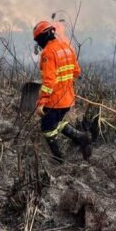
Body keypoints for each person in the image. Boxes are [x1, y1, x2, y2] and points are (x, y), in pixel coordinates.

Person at [33, 21, 92, 162]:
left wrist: (41, 102)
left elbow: (49, 81)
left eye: (38, 40)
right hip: (67, 99)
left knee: (47, 129)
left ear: (43, 37)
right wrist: (64, 83)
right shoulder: (67, 47)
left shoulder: (48, 52)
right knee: (56, 122)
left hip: (55, 100)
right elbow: (76, 71)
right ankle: (82, 137)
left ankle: (59, 159)